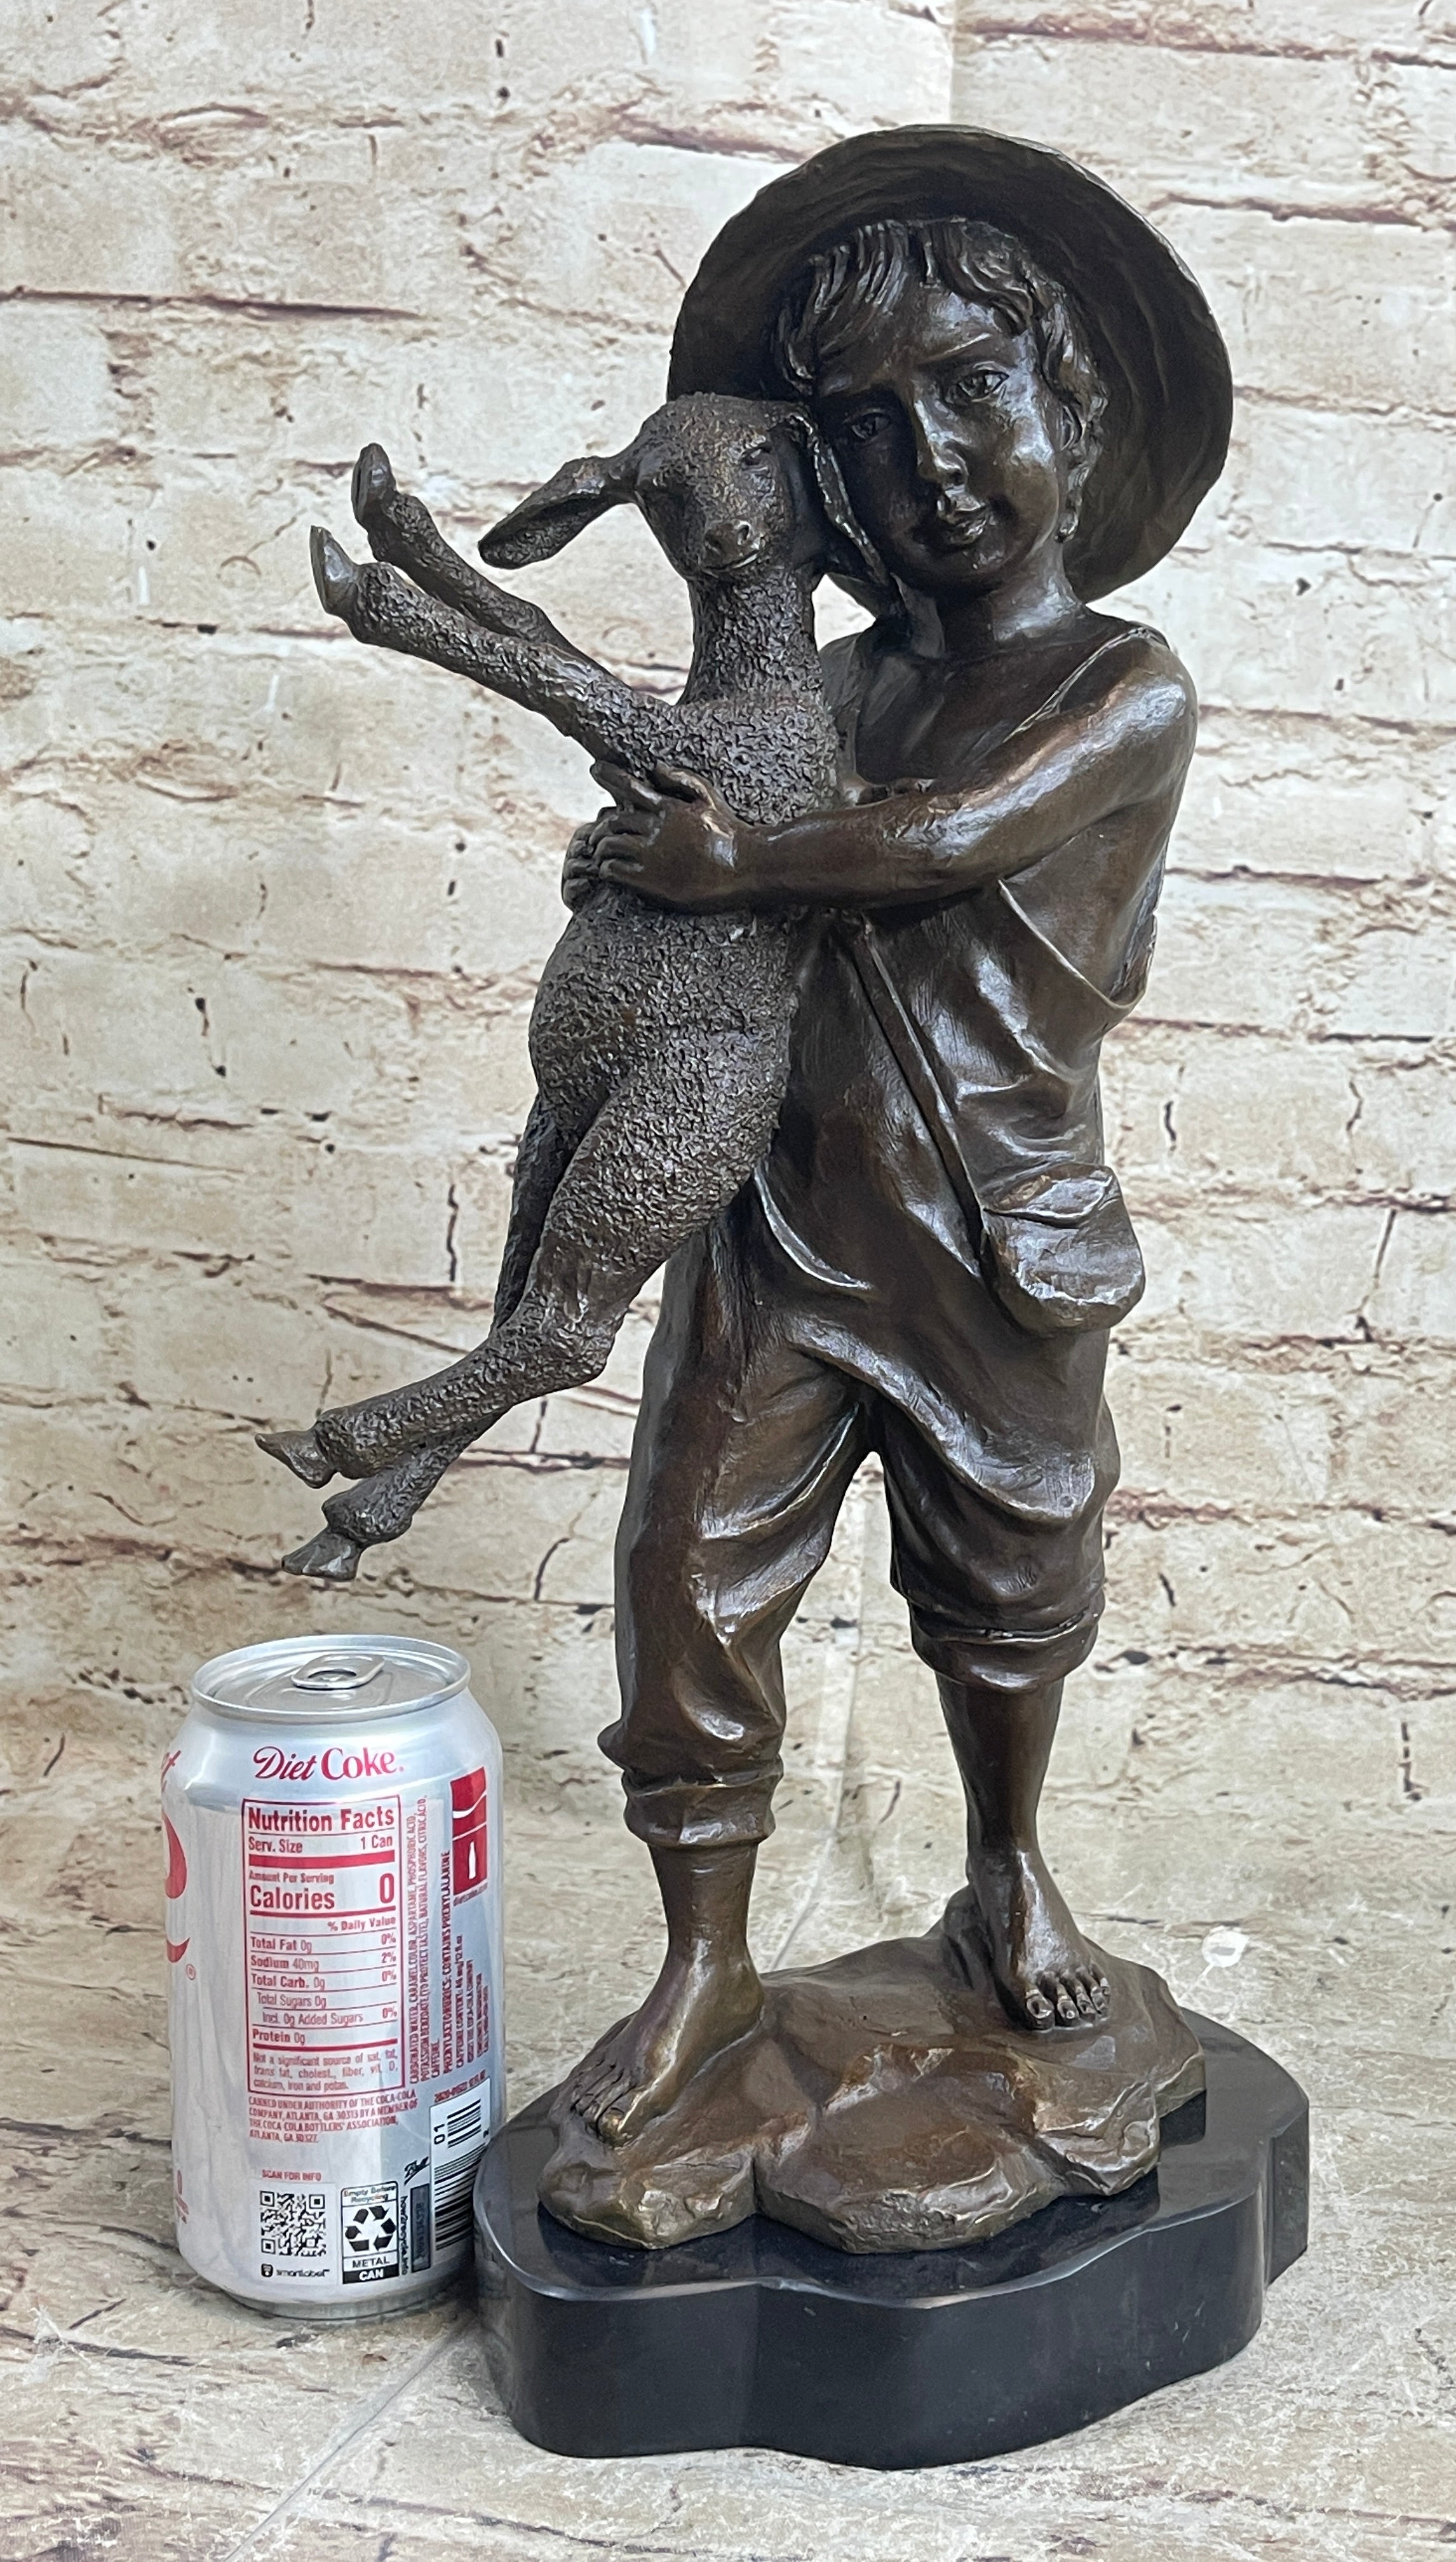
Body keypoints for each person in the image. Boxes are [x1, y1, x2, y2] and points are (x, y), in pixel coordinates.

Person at [556, 129, 1232, 2146]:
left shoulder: (1123, 687)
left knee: (1011, 1578)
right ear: (825, 484)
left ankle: (1007, 1869)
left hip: (994, 1230)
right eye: (866, 423)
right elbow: (717, 841)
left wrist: (736, 858)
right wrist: (638, 863)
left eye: (968, 386)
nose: (927, 454)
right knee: (686, 1571)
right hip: (777, 1218)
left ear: (1071, 409)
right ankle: (704, 1961)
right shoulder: (828, 689)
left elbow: (945, 840)